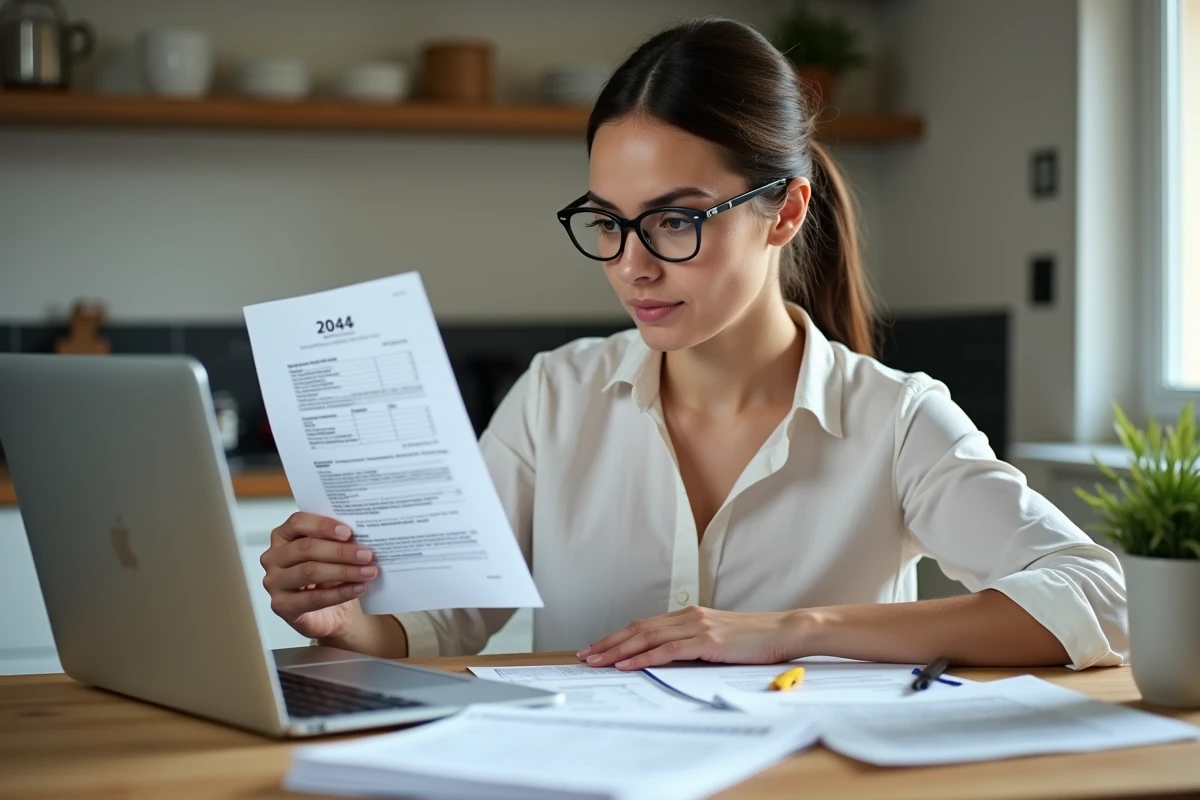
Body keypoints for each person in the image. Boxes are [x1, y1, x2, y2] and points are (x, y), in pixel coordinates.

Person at [259, 18, 1127, 672]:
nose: (632, 265)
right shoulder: (556, 395)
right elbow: (446, 621)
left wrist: (800, 629)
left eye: (674, 219)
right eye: (608, 222)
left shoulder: (893, 419)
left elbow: (1101, 596)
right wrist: (345, 620)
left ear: (784, 212)